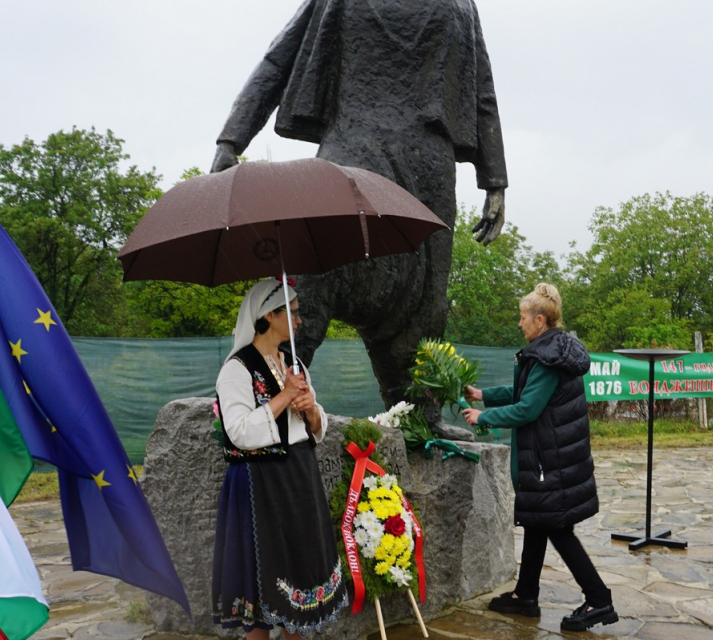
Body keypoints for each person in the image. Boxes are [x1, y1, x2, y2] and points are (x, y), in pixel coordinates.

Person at [211, 0, 508, 409]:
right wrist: (231, 139)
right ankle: (265, 403)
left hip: (428, 168)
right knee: (312, 278)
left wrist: (495, 180)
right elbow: (281, 57)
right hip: (354, 147)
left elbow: (482, 88)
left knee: (423, 306)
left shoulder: (461, 3)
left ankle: (418, 422)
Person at [461, 283, 618, 632]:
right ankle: (526, 596)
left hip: (552, 461)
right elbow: (522, 392)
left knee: (557, 528)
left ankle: (599, 600)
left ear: (540, 320)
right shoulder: (548, 351)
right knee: (537, 521)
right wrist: (483, 395)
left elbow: (528, 408)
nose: (519, 324)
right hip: (552, 457)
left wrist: (482, 417)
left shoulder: (547, 358)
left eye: (523, 318)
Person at [212, 278, 348, 639]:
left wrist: (310, 410)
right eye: (293, 312)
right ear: (270, 315)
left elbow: (315, 423)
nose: (300, 320)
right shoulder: (236, 369)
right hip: (260, 484)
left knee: (299, 576)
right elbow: (237, 431)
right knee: (262, 582)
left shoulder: (294, 362)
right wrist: (285, 397)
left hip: (299, 475)